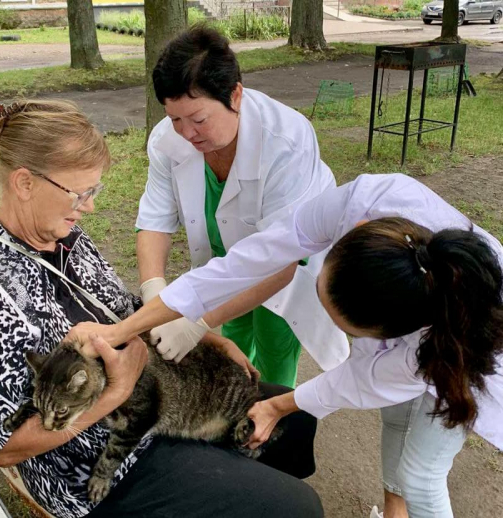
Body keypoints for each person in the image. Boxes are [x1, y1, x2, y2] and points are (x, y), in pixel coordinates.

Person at [0, 100, 323, 518]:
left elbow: (125, 308)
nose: (88, 206)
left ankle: (242, 481)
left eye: (93, 191)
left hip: (154, 400)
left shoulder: (66, 240)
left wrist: (206, 334)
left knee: (293, 415)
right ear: (25, 183)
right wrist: (119, 391)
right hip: (93, 463)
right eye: (80, 192)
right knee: (295, 507)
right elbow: (5, 448)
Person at [81, 173, 503, 518]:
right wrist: (134, 326)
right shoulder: (370, 200)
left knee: (421, 476)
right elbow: (249, 260)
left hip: (473, 362)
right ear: (353, 234)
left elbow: (358, 381)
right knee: (397, 422)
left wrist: (279, 406)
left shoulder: (432, 352)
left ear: (393, 336)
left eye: (355, 335)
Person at [135, 26, 348, 387]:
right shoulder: (166, 142)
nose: (186, 133)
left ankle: (274, 415)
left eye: (198, 119)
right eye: (175, 119)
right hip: (228, 256)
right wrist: (155, 294)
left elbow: (281, 261)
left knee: (275, 345)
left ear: (235, 95)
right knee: (234, 335)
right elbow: (155, 219)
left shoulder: (287, 142)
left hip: (286, 267)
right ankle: (239, 402)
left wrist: (196, 323)